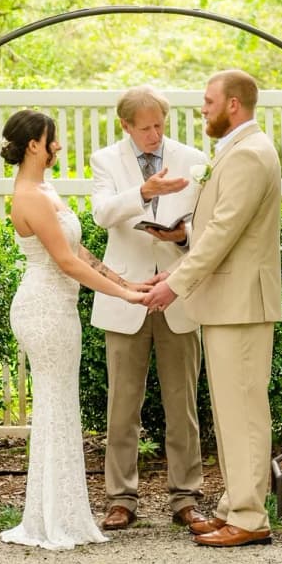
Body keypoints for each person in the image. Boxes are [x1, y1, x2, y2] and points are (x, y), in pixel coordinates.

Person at [138, 69, 282, 548]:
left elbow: (223, 232)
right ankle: (233, 506)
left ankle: (250, 517)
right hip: (228, 303)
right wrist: (173, 271)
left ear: (233, 104)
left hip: (241, 304)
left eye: (208, 101)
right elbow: (213, 231)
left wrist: (176, 285)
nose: (202, 108)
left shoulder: (250, 154)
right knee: (230, 413)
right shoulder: (239, 150)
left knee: (244, 413)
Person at [0, 109, 148, 550]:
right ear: (34, 145)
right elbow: (64, 263)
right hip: (43, 309)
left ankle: (60, 513)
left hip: (60, 308)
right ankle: (49, 519)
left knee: (62, 405)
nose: (59, 146)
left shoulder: (46, 189)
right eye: (53, 139)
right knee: (53, 406)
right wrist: (124, 297)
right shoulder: (29, 196)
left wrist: (126, 282)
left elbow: (78, 251)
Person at [88, 86, 209, 531]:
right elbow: (102, 214)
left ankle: (186, 498)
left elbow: (206, 225)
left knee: (183, 406)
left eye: (160, 125)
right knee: (122, 407)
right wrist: (144, 191)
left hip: (177, 292)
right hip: (127, 294)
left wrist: (182, 236)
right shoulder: (105, 160)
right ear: (125, 126)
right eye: (145, 128)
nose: (155, 135)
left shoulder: (193, 158)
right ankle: (121, 499)